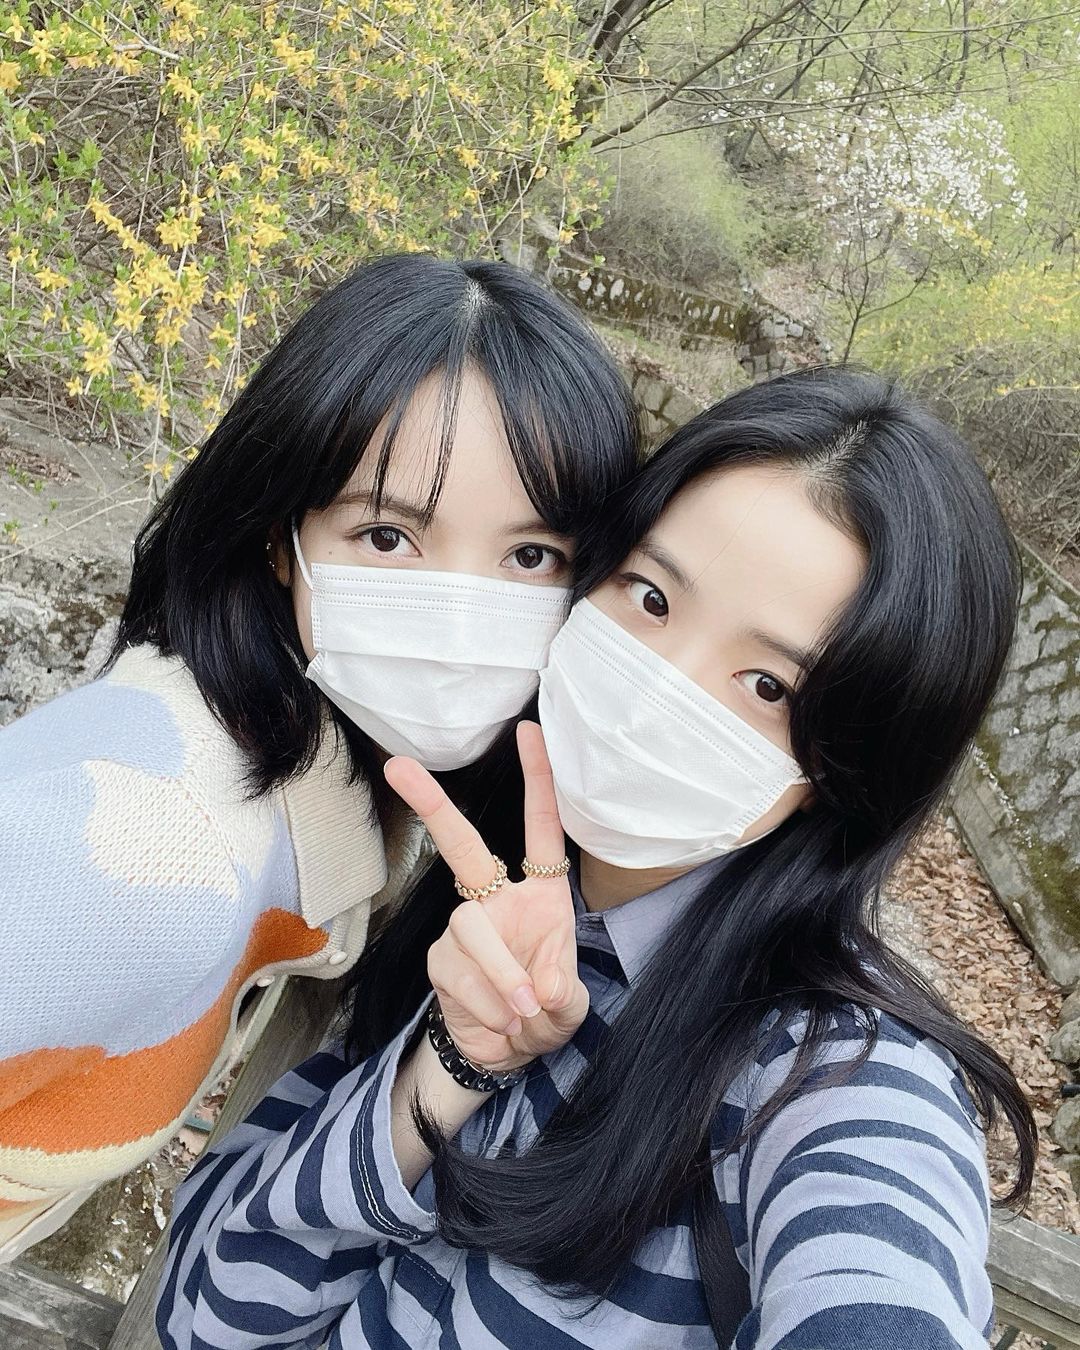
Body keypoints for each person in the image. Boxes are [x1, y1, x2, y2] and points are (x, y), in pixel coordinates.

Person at [155, 368, 1036, 1350]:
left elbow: (881, 1281)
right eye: (650, 596)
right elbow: (206, 1314)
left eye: (769, 686)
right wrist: (445, 1068)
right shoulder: (481, 907)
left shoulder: (830, 1080)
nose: (660, 689)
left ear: (857, 761)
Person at [0, 253, 640, 1260]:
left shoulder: (348, 786)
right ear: (277, 537)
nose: (457, 618)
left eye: (530, 556)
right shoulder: (146, 852)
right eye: (386, 537)